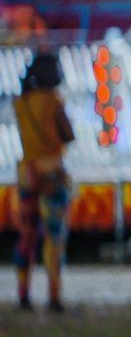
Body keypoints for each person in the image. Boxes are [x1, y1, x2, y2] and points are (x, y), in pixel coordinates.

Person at [13, 52, 74, 313]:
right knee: (53, 237)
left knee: (26, 235)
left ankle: (23, 294)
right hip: (51, 174)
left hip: (26, 173)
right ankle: (53, 296)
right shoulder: (54, 101)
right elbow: (68, 135)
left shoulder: (21, 102)